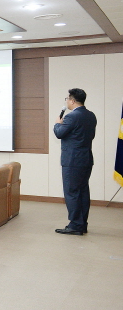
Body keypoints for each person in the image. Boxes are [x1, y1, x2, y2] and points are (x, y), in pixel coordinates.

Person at [53, 88, 96, 235]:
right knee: (83, 191)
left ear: (72, 100)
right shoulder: (91, 116)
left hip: (72, 160)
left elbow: (59, 133)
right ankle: (82, 224)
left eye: (67, 98)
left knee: (71, 192)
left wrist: (58, 124)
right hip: (86, 159)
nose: (66, 101)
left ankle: (75, 225)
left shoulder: (71, 117)